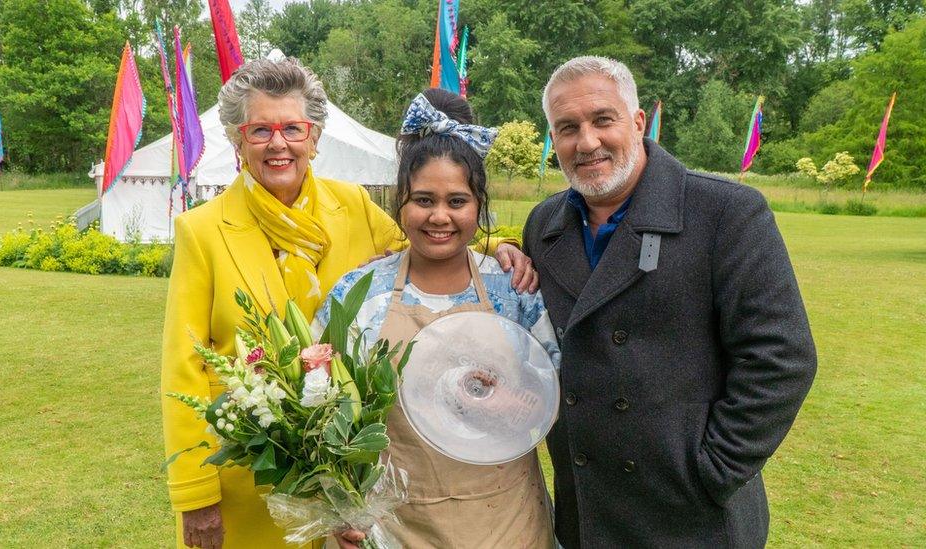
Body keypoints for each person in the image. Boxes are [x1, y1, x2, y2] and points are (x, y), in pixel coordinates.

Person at [160, 58, 535, 549]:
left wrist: (496, 246)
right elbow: (183, 368)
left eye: (292, 128)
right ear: (236, 138)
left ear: (313, 137)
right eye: (260, 130)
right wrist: (195, 495)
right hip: (254, 474)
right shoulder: (202, 231)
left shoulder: (353, 204)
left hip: (352, 477)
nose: (279, 144)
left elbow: (429, 234)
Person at [522, 56, 818, 547]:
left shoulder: (725, 211)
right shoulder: (543, 225)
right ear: (553, 140)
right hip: (588, 511)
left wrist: (714, 471)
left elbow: (781, 357)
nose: (587, 142)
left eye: (602, 120)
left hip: (691, 516)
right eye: (567, 127)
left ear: (637, 123)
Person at [317, 89, 558, 549]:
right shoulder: (358, 294)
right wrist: (341, 506)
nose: (439, 217)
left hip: (505, 521)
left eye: (457, 201)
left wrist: (510, 402)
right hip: (392, 527)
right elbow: (319, 410)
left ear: (478, 206)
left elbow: (556, 389)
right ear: (400, 205)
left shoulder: (514, 291)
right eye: (423, 200)